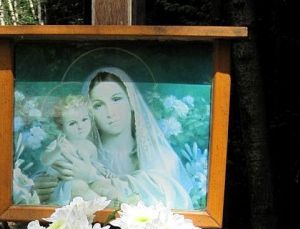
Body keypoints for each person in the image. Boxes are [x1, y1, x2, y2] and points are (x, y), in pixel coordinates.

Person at [35, 67, 193, 210]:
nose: (110, 112)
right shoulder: (75, 151)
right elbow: (44, 191)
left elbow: (170, 199)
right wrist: (47, 188)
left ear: (131, 101)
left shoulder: (162, 157)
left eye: (116, 99)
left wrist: (90, 175)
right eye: (98, 105)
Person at [40, 95, 119, 204]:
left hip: (87, 180)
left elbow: (94, 165)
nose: (80, 126)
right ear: (61, 127)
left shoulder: (90, 146)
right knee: (79, 186)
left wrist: (104, 171)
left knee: (104, 184)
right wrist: (57, 150)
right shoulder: (60, 144)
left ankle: (116, 204)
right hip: (64, 185)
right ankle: (102, 207)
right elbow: (45, 160)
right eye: (72, 123)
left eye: (84, 120)